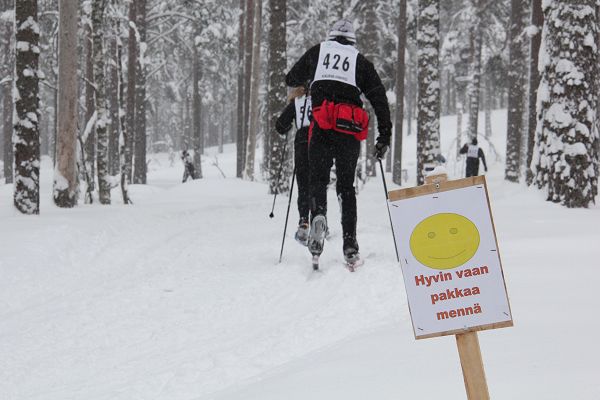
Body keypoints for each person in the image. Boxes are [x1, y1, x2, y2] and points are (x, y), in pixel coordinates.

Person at [285, 19, 392, 265]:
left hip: (321, 126)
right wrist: (384, 135)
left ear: (331, 37)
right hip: (348, 131)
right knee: (346, 187)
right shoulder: (359, 61)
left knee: (318, 180)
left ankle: (318, 216)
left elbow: (291, 78)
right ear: (352, 40)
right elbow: (379, 97)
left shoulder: (319, 51)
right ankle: (350, 244)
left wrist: (309, 80)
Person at [275, 86, 313, 245]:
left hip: (302, 141)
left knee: (303, 184)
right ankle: (320, 219)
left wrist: (288, 126)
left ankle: (304, 221)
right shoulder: (320, 99)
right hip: (320, 140)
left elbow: (280, 126)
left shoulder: (296, 103)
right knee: (318, 183)